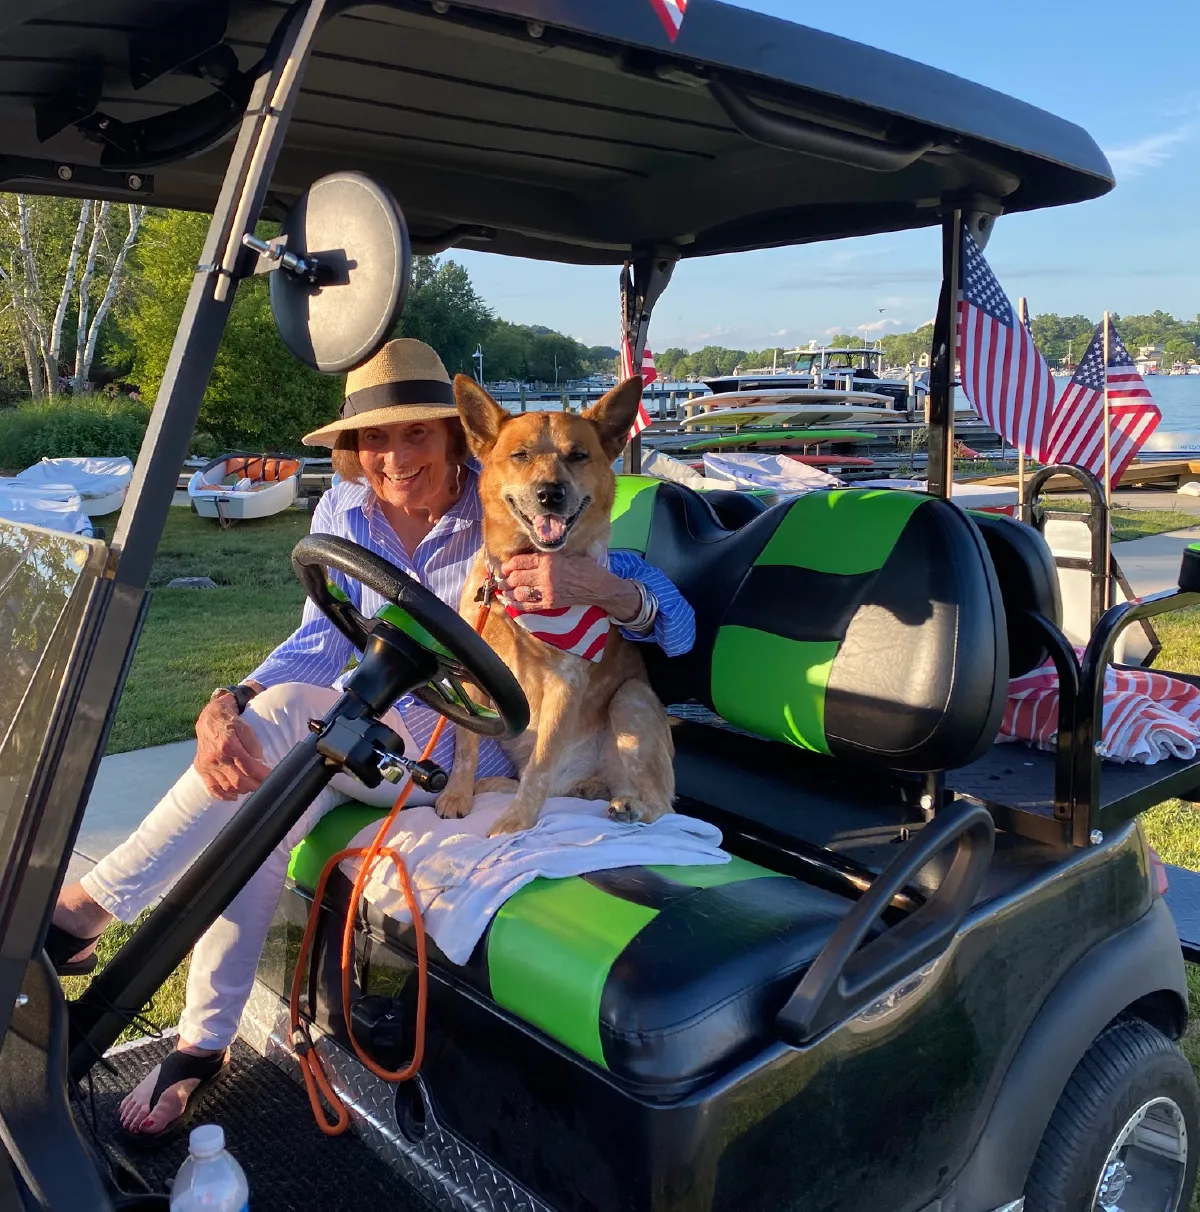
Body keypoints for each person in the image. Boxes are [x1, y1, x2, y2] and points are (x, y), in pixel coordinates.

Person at [47, 339, 695, 1143]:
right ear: (353, 449)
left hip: (475, 750)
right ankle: (199, 1042)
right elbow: (320, 641)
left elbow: (672, 618)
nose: (394, 455)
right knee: (262, 779)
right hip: (373, 733)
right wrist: (229, 698)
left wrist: (606, 588)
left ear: (457, 437)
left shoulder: (516, 506)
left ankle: (81, 915)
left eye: (417, 433)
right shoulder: (341, 511)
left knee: (286, 730)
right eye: (374, 438)